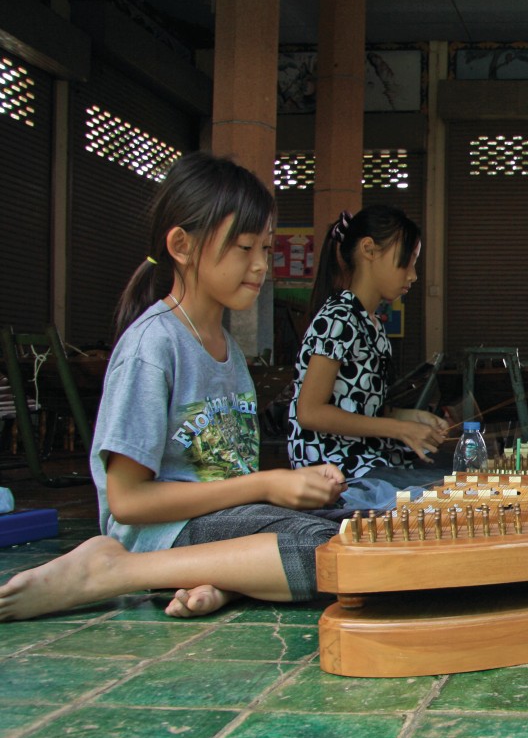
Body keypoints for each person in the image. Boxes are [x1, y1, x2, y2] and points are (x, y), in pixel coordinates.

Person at [0, 152, 347, 622]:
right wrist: (267, 483)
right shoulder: (153, 346)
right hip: (160, 533)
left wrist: (292, 485)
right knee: (331, 551)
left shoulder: (224, 347)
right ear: (182, 246)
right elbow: (127, 501)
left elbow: (222, 477)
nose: (261, 266)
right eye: (245, 248)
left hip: (218, 525)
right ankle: (111, 571)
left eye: (266, 249)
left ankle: (222, 580)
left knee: (361, 528)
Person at [288, 205, 447, 508]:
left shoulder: (370, 323)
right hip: (338, 475)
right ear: (369, 250)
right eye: (407, 262)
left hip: (368, 465)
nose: (413, 275)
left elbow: (358, 411)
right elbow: (310, 412)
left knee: (459, 485)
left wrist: (410, 418)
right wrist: (398, 428)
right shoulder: (338, 318)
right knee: (453, 495)